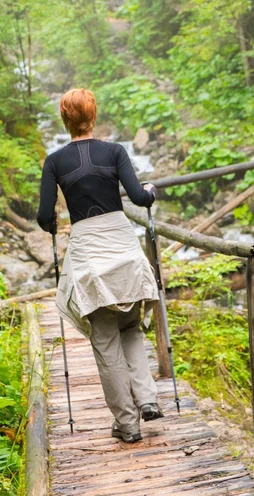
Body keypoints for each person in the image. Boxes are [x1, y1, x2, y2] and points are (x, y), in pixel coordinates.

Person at [37, 88, 163, 443]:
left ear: (66, 120)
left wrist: (52, 223)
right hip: (123, 252)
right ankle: (149, 399)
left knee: (106, 340)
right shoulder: (115, 151)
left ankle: (127, 424)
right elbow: (139, 197)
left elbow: (45, 216)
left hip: (91, 259)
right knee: (131, 328)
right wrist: (151, 191)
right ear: (93, 117)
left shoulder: (55, 162)